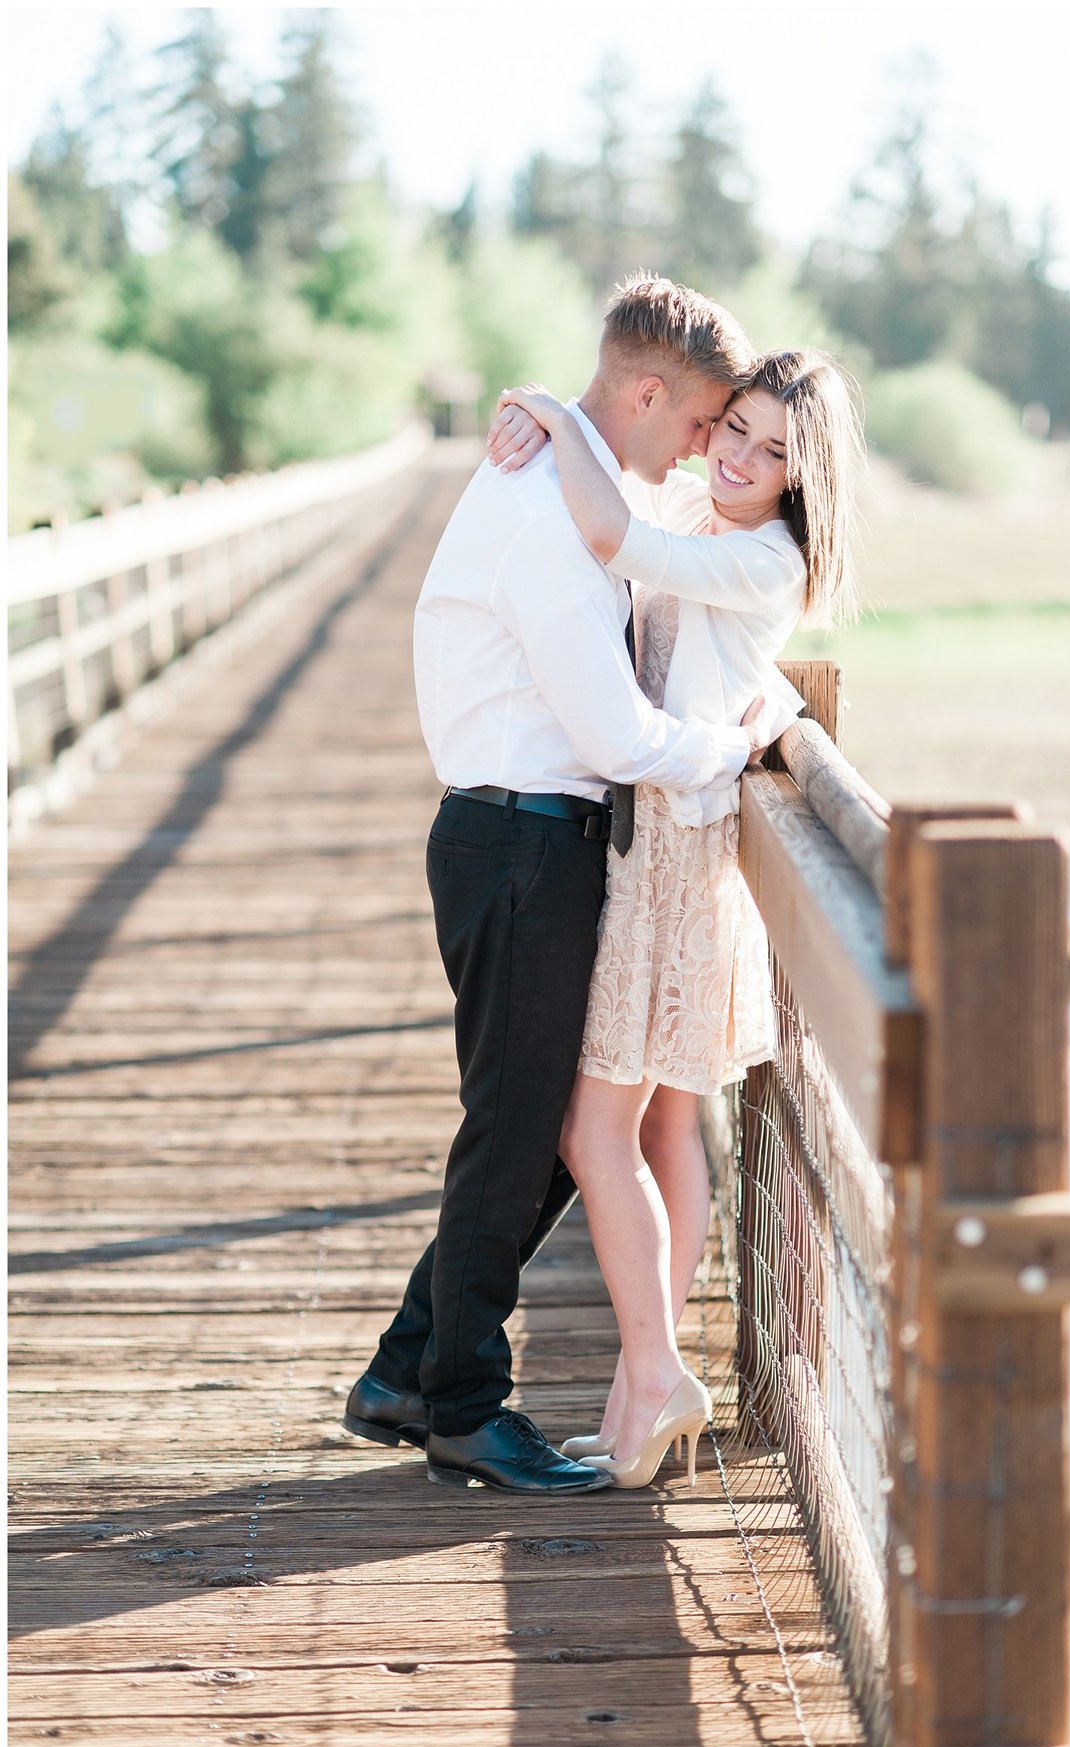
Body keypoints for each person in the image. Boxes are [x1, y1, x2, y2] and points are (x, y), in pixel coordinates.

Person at [341, 274, 776, 1496]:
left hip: (534, 844)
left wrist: (542, 403)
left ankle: (408, 1369)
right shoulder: (544, 507)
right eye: (697, 420)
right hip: (523, 842)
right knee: (514, 1134)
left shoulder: (572, 471)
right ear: (646, 392)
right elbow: (619, 733)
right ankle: (465, 1409)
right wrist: (730, 755)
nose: (703, 445)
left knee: (529, 1139)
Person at [484, 348, 863, 1487]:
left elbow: (615, 541)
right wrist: (776, 704)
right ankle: (639, 1387)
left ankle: (654, 1374)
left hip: (675, 859)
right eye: (733, 428)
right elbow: (677, 573)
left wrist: (553, 410)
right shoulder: (721, 517)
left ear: (810, 475)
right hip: (664, 836)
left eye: (773, 449)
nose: (741, 457)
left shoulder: (763, 552)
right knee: (659, 1125)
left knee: (590, 1128)